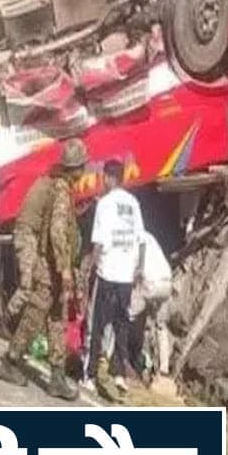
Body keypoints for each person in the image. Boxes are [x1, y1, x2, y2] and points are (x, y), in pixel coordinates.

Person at [0, 140, 86, 401]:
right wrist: (65, 269)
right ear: (76, 168)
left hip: (53, 267)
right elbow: (57, 232)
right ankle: (11, 360)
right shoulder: (60, 190)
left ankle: (57, 375)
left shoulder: (60, 186)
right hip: (50, 267)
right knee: (36, 314)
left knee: (57, 319)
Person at [83, 159, 145, 395]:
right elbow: (140, 240)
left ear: (108, 178)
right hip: (126, 275)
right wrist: (137, 268)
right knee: (121, 324)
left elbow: (99, 241)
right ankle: (119, 373)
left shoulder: (105, 204)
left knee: (97, 325)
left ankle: (90, 375)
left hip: (107, 271)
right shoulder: (133, 203)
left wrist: (91, 265)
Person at [128, 229, 175, 381]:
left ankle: (113, 356)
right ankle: (164, 368)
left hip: (151, 282)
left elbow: (135, 268)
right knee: (161, 326)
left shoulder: (133, 239)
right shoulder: (150, 237)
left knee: (128, 314)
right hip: (167, 282)